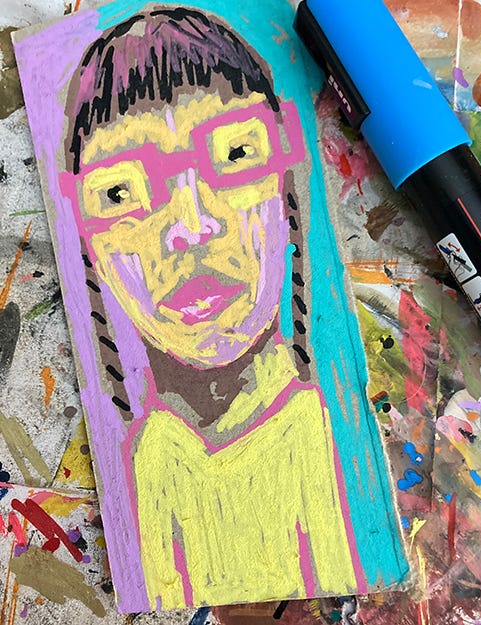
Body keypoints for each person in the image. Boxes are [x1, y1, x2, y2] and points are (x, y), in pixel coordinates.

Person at [59, 7, 361, 609]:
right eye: (120, 192)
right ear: (87, 240)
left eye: (235, 153)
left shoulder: (316, 429)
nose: (191, 227)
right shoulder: (152, 455)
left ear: (286, 179)